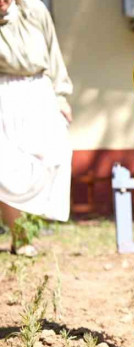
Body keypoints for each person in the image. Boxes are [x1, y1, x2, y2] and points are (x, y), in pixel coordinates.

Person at [0, 0, 73, 257]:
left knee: (52, 156)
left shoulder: (34, 9)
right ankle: (20, 237)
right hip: (3, 93)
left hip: (39, 89)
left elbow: (54, 53)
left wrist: (61, 95)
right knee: (6, 168)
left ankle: (32, 224)